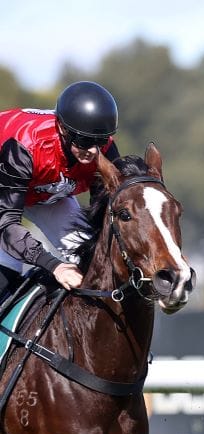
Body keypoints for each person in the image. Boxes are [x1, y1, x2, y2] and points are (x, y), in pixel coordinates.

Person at [0, 80, 120, 301]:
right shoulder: (24, 147)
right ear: (63, 129)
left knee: (88, 255)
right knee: (7, 272)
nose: (94, 151)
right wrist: (54, 266)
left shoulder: (103, 149)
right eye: (85, 141)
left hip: (43, 191)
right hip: (6, 193)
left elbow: (108, 213)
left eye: (100, 141)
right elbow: (7, 226)